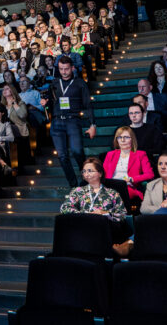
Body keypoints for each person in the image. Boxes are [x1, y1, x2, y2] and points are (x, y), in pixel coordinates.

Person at [59, 158, 131, 256]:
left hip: (104, 227)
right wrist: (85, 215)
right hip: (83, 225)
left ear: (100, 173)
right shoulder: (78, 191)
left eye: (90, 171)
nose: (86, 173)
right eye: (84, 171)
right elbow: (64, 208)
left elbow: (122, 215)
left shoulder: (112, 193)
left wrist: (105, 214)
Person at [42, 56, 96, 187]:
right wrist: (45, 103)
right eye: (61, 69)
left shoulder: (79, 83)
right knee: (62, 156)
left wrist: (92, 124)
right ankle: (73, 185)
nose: (64, 71)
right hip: (56, 122)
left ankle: (86, 180)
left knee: (77, 151)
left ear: (72, 68)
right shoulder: (54, 83)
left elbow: (88, 105)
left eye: (66, 69)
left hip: (73, 120)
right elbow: (50, 101)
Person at [103, 126, 153, 202]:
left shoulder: (140, 154)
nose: (122, 140)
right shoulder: (110, 154)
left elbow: (150, 174)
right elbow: (103, 173)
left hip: (128, 187)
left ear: (132, 139)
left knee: (114, 196)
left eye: (126, 137)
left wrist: (132, 179)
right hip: (111, 186)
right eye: (119, 137)